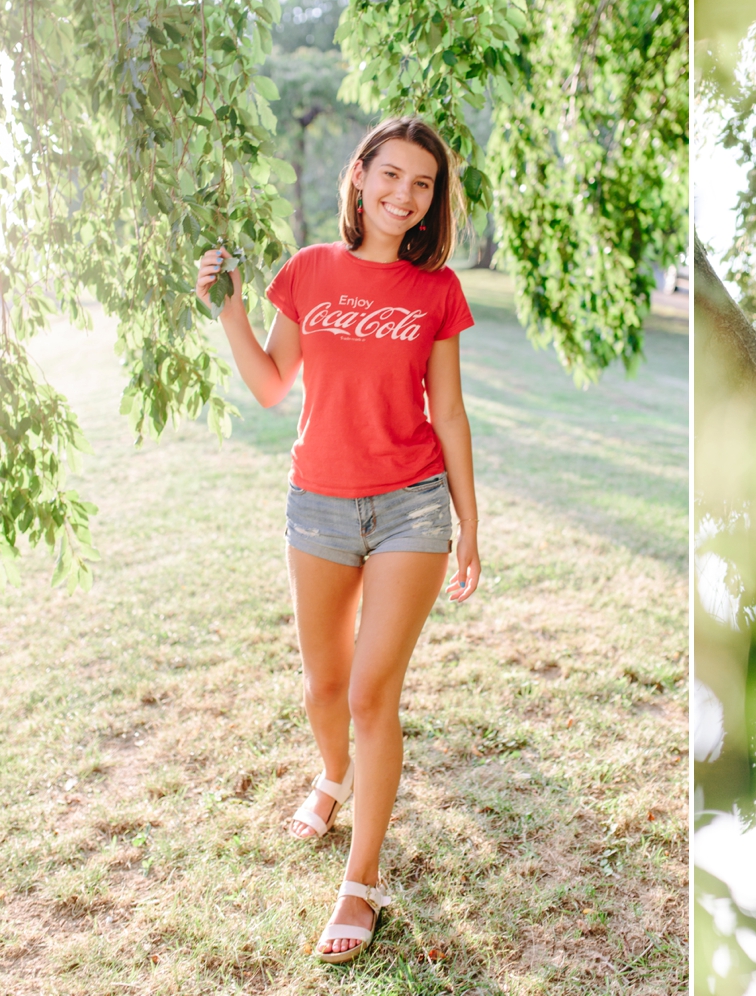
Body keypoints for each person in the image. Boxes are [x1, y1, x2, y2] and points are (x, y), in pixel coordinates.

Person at [194, 116, 481, 962]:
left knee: (369, 695)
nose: (403, 194)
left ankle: (361, 882)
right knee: (323, 687)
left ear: (433, 202)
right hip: (318, 504)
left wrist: (470, 524)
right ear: (359, 177)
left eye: (422, 184)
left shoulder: (438, 292)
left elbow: (451, 414)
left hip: (412, 509)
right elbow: (274, 385)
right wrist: (232, 311)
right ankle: (332, 776)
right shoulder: (311, 272)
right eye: (389, 175)